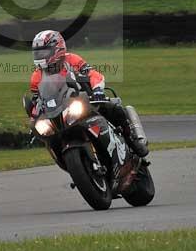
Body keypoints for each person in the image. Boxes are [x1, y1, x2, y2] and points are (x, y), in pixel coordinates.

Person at [28, 29, 149, 157]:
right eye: (37, 53)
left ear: (57, 48)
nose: (40, 56)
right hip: (60, 112)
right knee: (50, 138)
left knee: (116, 109)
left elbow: (92, 74)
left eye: (44, 51)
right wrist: (35, 118)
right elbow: (38, 100)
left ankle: (133, 141)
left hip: (88, 101)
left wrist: (97, 89)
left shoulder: (71, 60)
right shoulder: (36, 76)